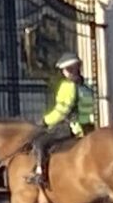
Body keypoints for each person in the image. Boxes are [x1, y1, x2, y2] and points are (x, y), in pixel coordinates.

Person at [29, 55, 97, 189]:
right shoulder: (86, 87)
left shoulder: (68, 86)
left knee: (39, 142)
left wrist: (45, 120)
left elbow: (62, 111)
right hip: (88, 127)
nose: (66, 72)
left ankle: (40, 174)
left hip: (71, 127)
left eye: (66, 70)